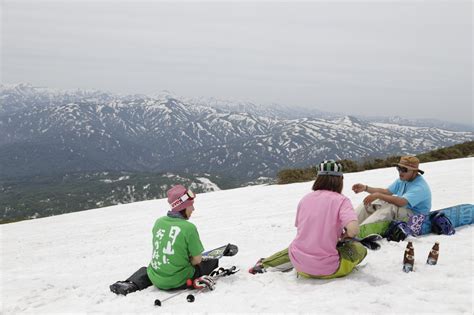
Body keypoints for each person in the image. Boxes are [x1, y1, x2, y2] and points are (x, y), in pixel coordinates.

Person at [249, 160, 367, 279]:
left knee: (299, 246)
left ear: (318, 178)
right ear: (340, 179)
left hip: (299, 266)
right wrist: (346, 236)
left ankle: (267, 263)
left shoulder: (305, 199)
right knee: (360, 249)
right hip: (328, 269)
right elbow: (354, 230)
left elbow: (303, 229)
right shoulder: (342, 201)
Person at [110, 184, 220, 295]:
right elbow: (197, 260)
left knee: (150, 268)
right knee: (211, 261)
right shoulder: (189, 228)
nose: (193, 209)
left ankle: (133, 282)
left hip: (155, 278)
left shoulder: (159, 222)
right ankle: (192, 281)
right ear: (183, 207)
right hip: (178, 281)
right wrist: (190, 261)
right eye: (191, 206)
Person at [352, 156, 432, 227]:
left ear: (414, 172)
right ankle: (349, 224)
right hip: (403, 211)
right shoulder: (403, 179)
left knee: (391, 208)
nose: (400, 172)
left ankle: (361, 230)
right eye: (399, 168)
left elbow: (402, 202)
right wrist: (366, 188)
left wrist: (378, 195)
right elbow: (386, 191)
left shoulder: (420, 187)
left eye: (404, 169)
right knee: (374, 202)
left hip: (416, 218)